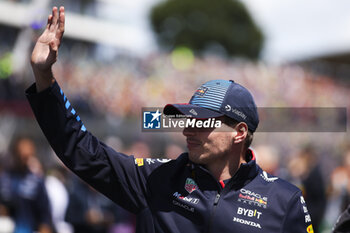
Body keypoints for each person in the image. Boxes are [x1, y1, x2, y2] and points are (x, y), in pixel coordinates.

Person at [26, 6, 313, 233]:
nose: (189, 129)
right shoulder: (158, 179)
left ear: (239, 132)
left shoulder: (284, 200)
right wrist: (43, 76)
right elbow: (81, 151)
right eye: (188, 120)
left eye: (203, 122)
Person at [0, 136, 53, 233]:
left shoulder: (36, 181)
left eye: (27, 156)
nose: (23, 159)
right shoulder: (4, 179)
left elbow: (45, 216)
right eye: (20, 155)